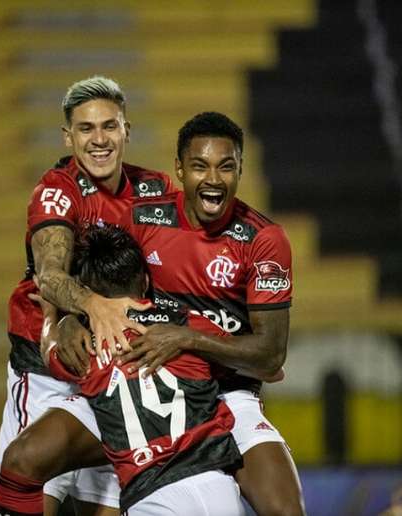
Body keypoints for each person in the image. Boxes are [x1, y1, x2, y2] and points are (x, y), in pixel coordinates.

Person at [0, 76, 175, 516]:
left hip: (117, 377)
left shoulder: (157, 192)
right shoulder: (58, 191)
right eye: (86, 128)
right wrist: (90, 307)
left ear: (126, 131)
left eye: (109, 126)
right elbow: (49, 276)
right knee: (33, 489)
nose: (99, 139)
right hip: (49, 376)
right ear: (68, 136)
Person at [117, 112, 306, 516]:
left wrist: (186, 338)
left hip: (230, 395)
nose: (213, 180)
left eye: (226, 166)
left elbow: (271, 354)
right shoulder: (143, 221)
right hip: (161, 392)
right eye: (200, 166)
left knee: (287, 510)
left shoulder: (264, 240)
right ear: (180, 169)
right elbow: (105, 290)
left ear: (240, 169)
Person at [36, 224, 246, 515]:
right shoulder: (190, 324)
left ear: (91, 293)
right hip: (215, 483)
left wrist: (53, 313)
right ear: (145, 282)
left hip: (150, 489)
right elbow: (248, 361)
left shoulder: (86, 345)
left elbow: (48, 351)